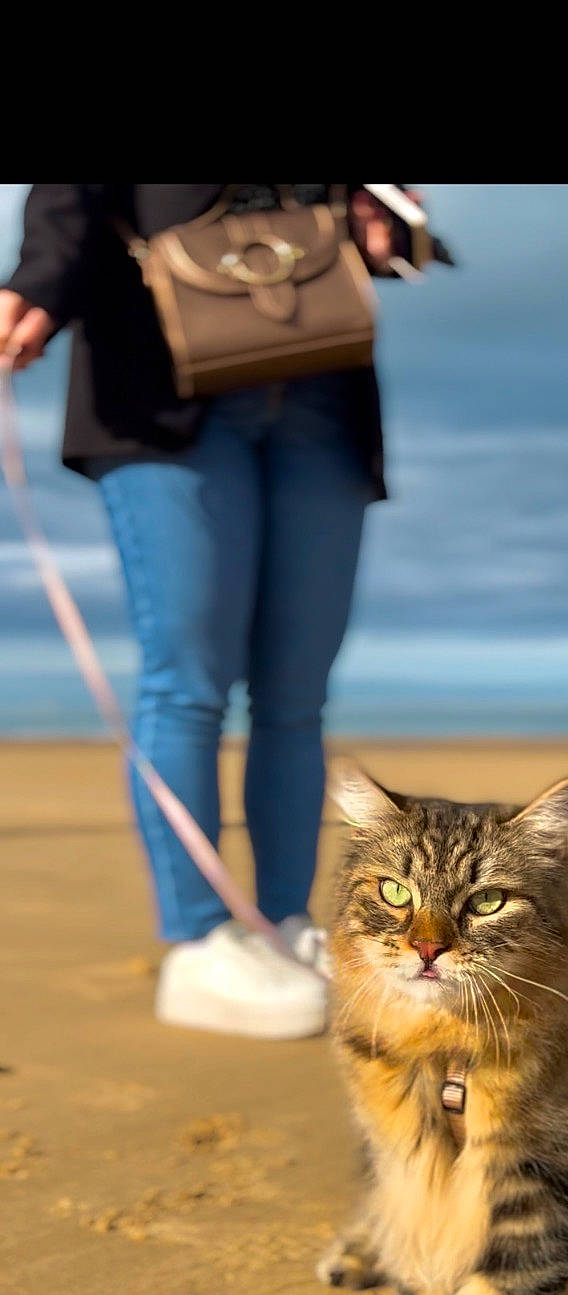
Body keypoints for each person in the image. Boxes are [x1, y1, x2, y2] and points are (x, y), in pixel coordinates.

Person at [0, 183, 430, 1039]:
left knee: (296, 695)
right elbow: (73, 195)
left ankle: (285, 924)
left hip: (323, 383)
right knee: (187, 682)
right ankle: (200, 941)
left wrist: (391, 222)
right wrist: (37, 284)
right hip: (159, 383)